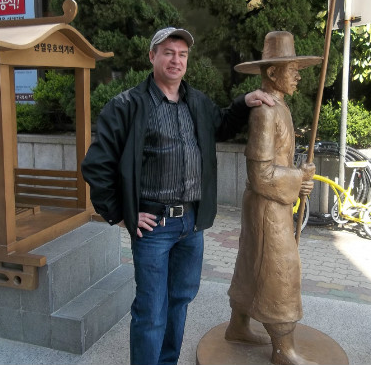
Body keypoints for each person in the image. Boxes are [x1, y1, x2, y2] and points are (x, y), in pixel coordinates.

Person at [81, 27, 274, 365]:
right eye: (168, 52)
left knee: (179, 301)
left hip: (191, 225)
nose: (176, 60)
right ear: (152, 56)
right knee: (151, 310)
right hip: (153, 226)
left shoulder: (196, 102)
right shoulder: (126, 106)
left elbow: (222, 125)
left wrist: (244, 102)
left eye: (182, 54)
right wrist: (121, 213)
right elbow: (97, 165)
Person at [225, 31, 320, 365]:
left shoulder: (280, 106)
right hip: (267, 207)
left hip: (269, 203)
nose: (297, 75)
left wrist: (298, 177)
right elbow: (260, 174)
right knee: (280, 268)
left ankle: (238, 325)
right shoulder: (265, 112)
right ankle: (283, 348)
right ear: (273, 72)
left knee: (253, 262)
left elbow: (276, 164)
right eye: (292, 69)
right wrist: (298, 178)